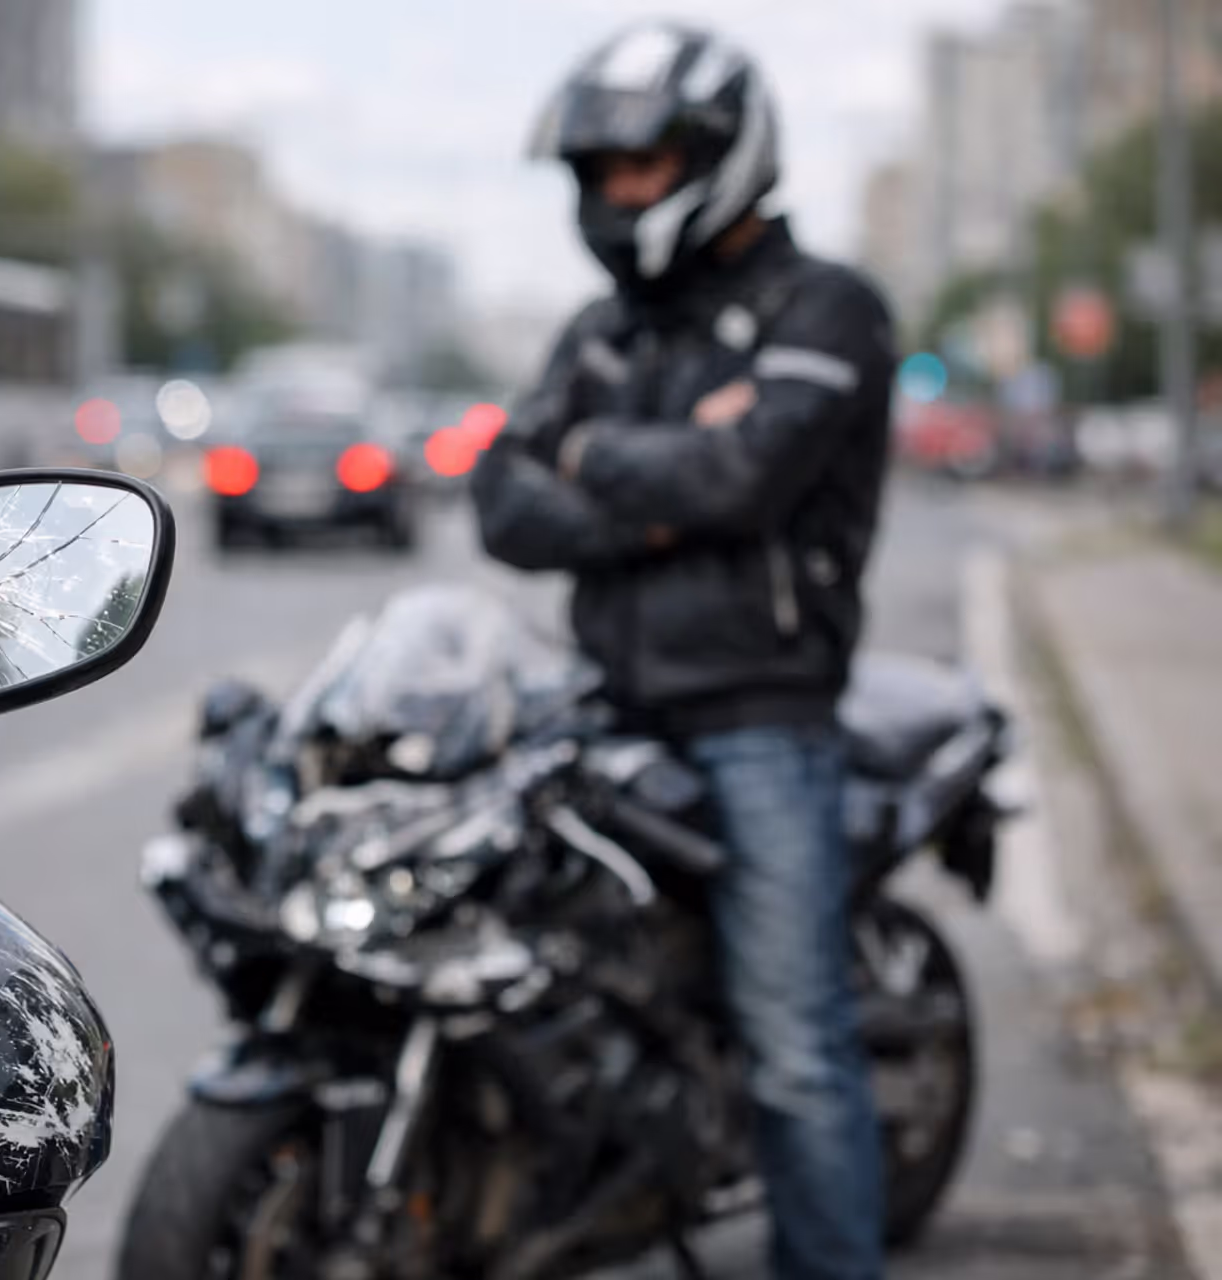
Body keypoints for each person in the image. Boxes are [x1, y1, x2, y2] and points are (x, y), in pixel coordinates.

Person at [471, 22, 898, 1280]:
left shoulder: (825, 306)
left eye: (644, 165)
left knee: (795, 1039)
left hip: (760, 718)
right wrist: (657, 483)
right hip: (602, 703)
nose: (619, 192)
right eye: (601, 171)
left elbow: (745, 473)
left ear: (718, 155)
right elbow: (501, 497)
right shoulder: (606, 329)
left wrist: (592, 459)